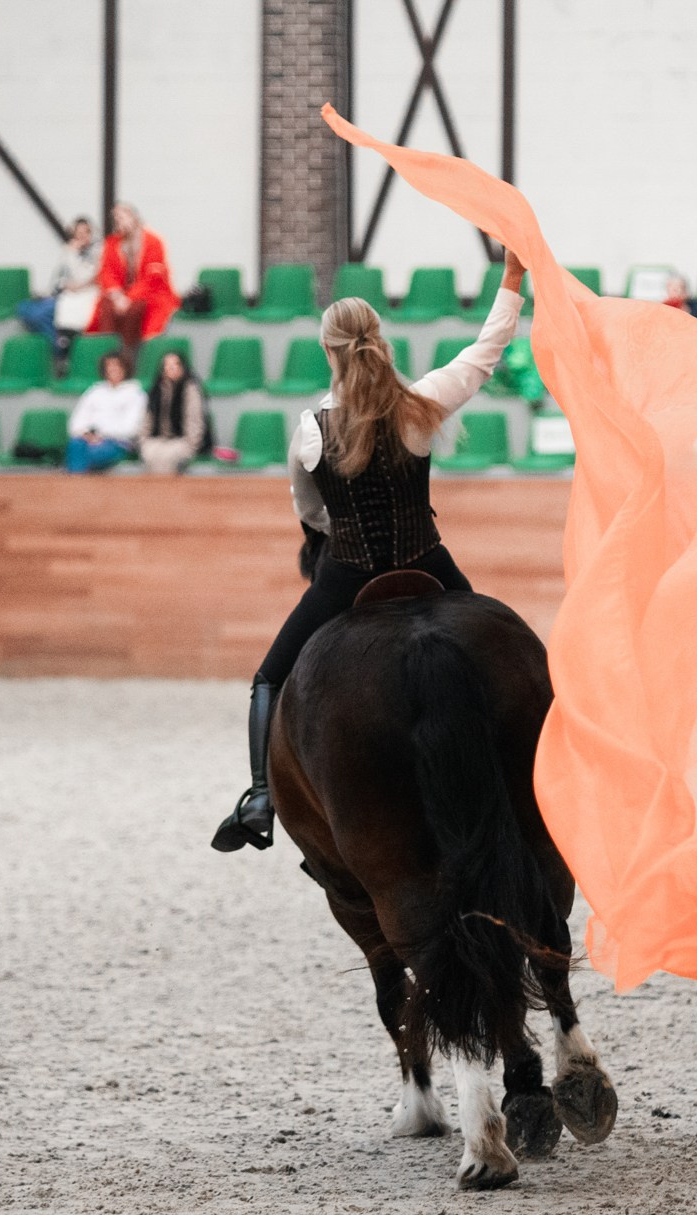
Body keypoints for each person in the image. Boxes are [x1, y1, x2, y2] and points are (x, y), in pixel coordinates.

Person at [212, 249, 528, 852]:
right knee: (501, 649)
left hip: (347, 575)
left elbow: (308, 511)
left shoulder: (311, 430)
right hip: (427, 561)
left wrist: (343, 522)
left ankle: (259, 799)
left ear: (329, 350)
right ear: (379, 341)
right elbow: (484, 355)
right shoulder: (420, 404)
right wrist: (511, 278)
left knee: (268, 679)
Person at [85, 202, 178, 366]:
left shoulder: (153, 242)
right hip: (120, 296)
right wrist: (116, 295)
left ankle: (127, 359)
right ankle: (108, 355)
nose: (118, 222)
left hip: (148, 295)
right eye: (116, 219)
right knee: (106, 307)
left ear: (134, 217)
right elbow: (106, 273)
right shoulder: (112, 243)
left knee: (135, 309)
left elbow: (153, 278)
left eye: (121, 217)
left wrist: (129, 298)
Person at [17, 217, 101, 377]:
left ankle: (60, 351)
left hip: (81, 297)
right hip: (62, 294)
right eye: (78, 234)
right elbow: (57, 278)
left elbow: (83, 277)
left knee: (39, 315)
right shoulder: (68, 251)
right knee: (23, 308)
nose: (82, 237)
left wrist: (72, 254)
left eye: (86, 233)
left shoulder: (96, 252)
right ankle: (58, 342)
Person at [64, 350, 147, 473]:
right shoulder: (94, 391)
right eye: (109, 366)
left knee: (87, 455)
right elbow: (77, 420)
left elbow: (131, 428)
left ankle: (76, 485)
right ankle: (78, 485)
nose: (112, 370)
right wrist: (86, 434)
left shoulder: (136, 394)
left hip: (117, 443)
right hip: (88, 439)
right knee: (75, 445)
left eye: (117, 365)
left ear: (125, 368)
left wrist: (101, 435)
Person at [137, 350, 207, 475]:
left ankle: (167, 492)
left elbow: (195, 420)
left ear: (183, 367)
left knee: (168, 457)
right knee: (149, 452)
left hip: (181, 440)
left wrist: (191, 444)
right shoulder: (156, 390)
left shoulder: (190, 389)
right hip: (159, 439)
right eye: (167, 365)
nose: (171, 368)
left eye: (175, 365)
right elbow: (148, 418)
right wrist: (143, 440)